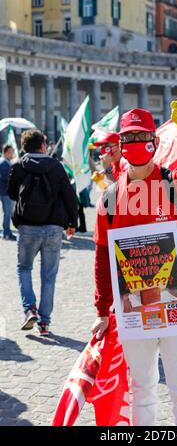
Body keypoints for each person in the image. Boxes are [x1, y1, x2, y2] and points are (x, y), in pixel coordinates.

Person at [91, 101, 177, 426]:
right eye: (128, 139)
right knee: (142, 386)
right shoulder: (109, 197)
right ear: (120, 146)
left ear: (154, 142)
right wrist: (103, 310)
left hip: (176, 303)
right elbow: (103, 257)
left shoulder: (175, 185)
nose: (134, 144)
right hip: (132, 310)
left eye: (141, 136)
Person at [8, 129, 78, 336]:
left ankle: (29, 309)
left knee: (24, 268)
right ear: (42, 146)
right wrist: (72, 223)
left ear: (24, 147)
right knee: (49, 276)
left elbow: (12, 193)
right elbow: (69, 195)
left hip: (27, 226)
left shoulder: (19, 166)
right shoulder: (56, 166)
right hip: (54, 228)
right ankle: (45, 322)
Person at [0, 145, 16, 240]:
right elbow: (6, 178)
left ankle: (6, 231)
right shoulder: (3, 163)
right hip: (5, 192)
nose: (12, 154)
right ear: (6, 152)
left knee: (7, 213)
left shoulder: (5, 162)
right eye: (11, 152)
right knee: (7, 213)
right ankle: (6, 232)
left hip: (4, 191)